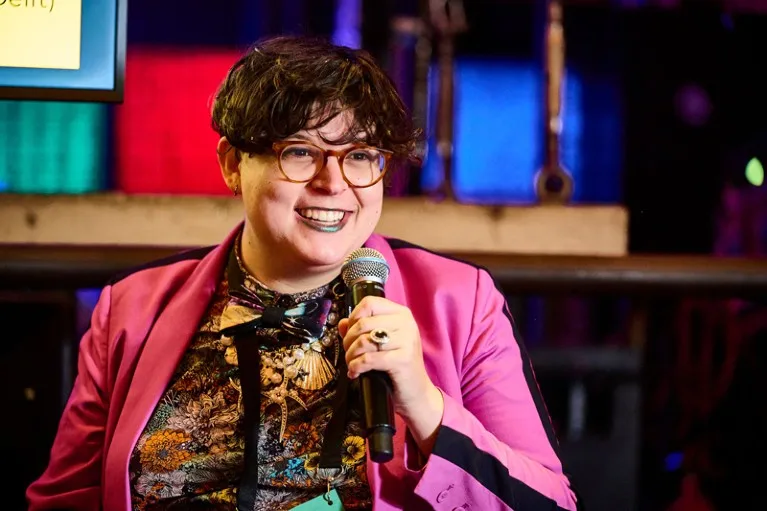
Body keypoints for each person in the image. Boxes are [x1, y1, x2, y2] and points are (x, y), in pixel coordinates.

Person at [27, 35, 579, 511]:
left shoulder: (459, 302)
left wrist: (428, 408)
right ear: (231, 164)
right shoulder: (132, 309)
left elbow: (551, 502)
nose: (333, 183)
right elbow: (63, 501)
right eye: (299, 152)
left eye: (361, 155)